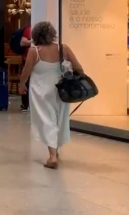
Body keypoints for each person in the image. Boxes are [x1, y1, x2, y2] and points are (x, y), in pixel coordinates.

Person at [19, 22, 82, 169]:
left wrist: (22, 85)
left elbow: (26, 72)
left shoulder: (34, 51)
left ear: (35, 35)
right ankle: (55, 151)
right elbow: (79, 67)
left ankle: (52, 156)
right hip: (61, 90)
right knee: (59, 119)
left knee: (46, 120)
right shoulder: (63, 48)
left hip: (41, 91)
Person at [18, 25, 33, 112]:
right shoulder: (29, 29)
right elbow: (22, 42)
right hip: (27, 58)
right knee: (27, 80)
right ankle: (26, 104)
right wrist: (33, 41)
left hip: (37, 59)